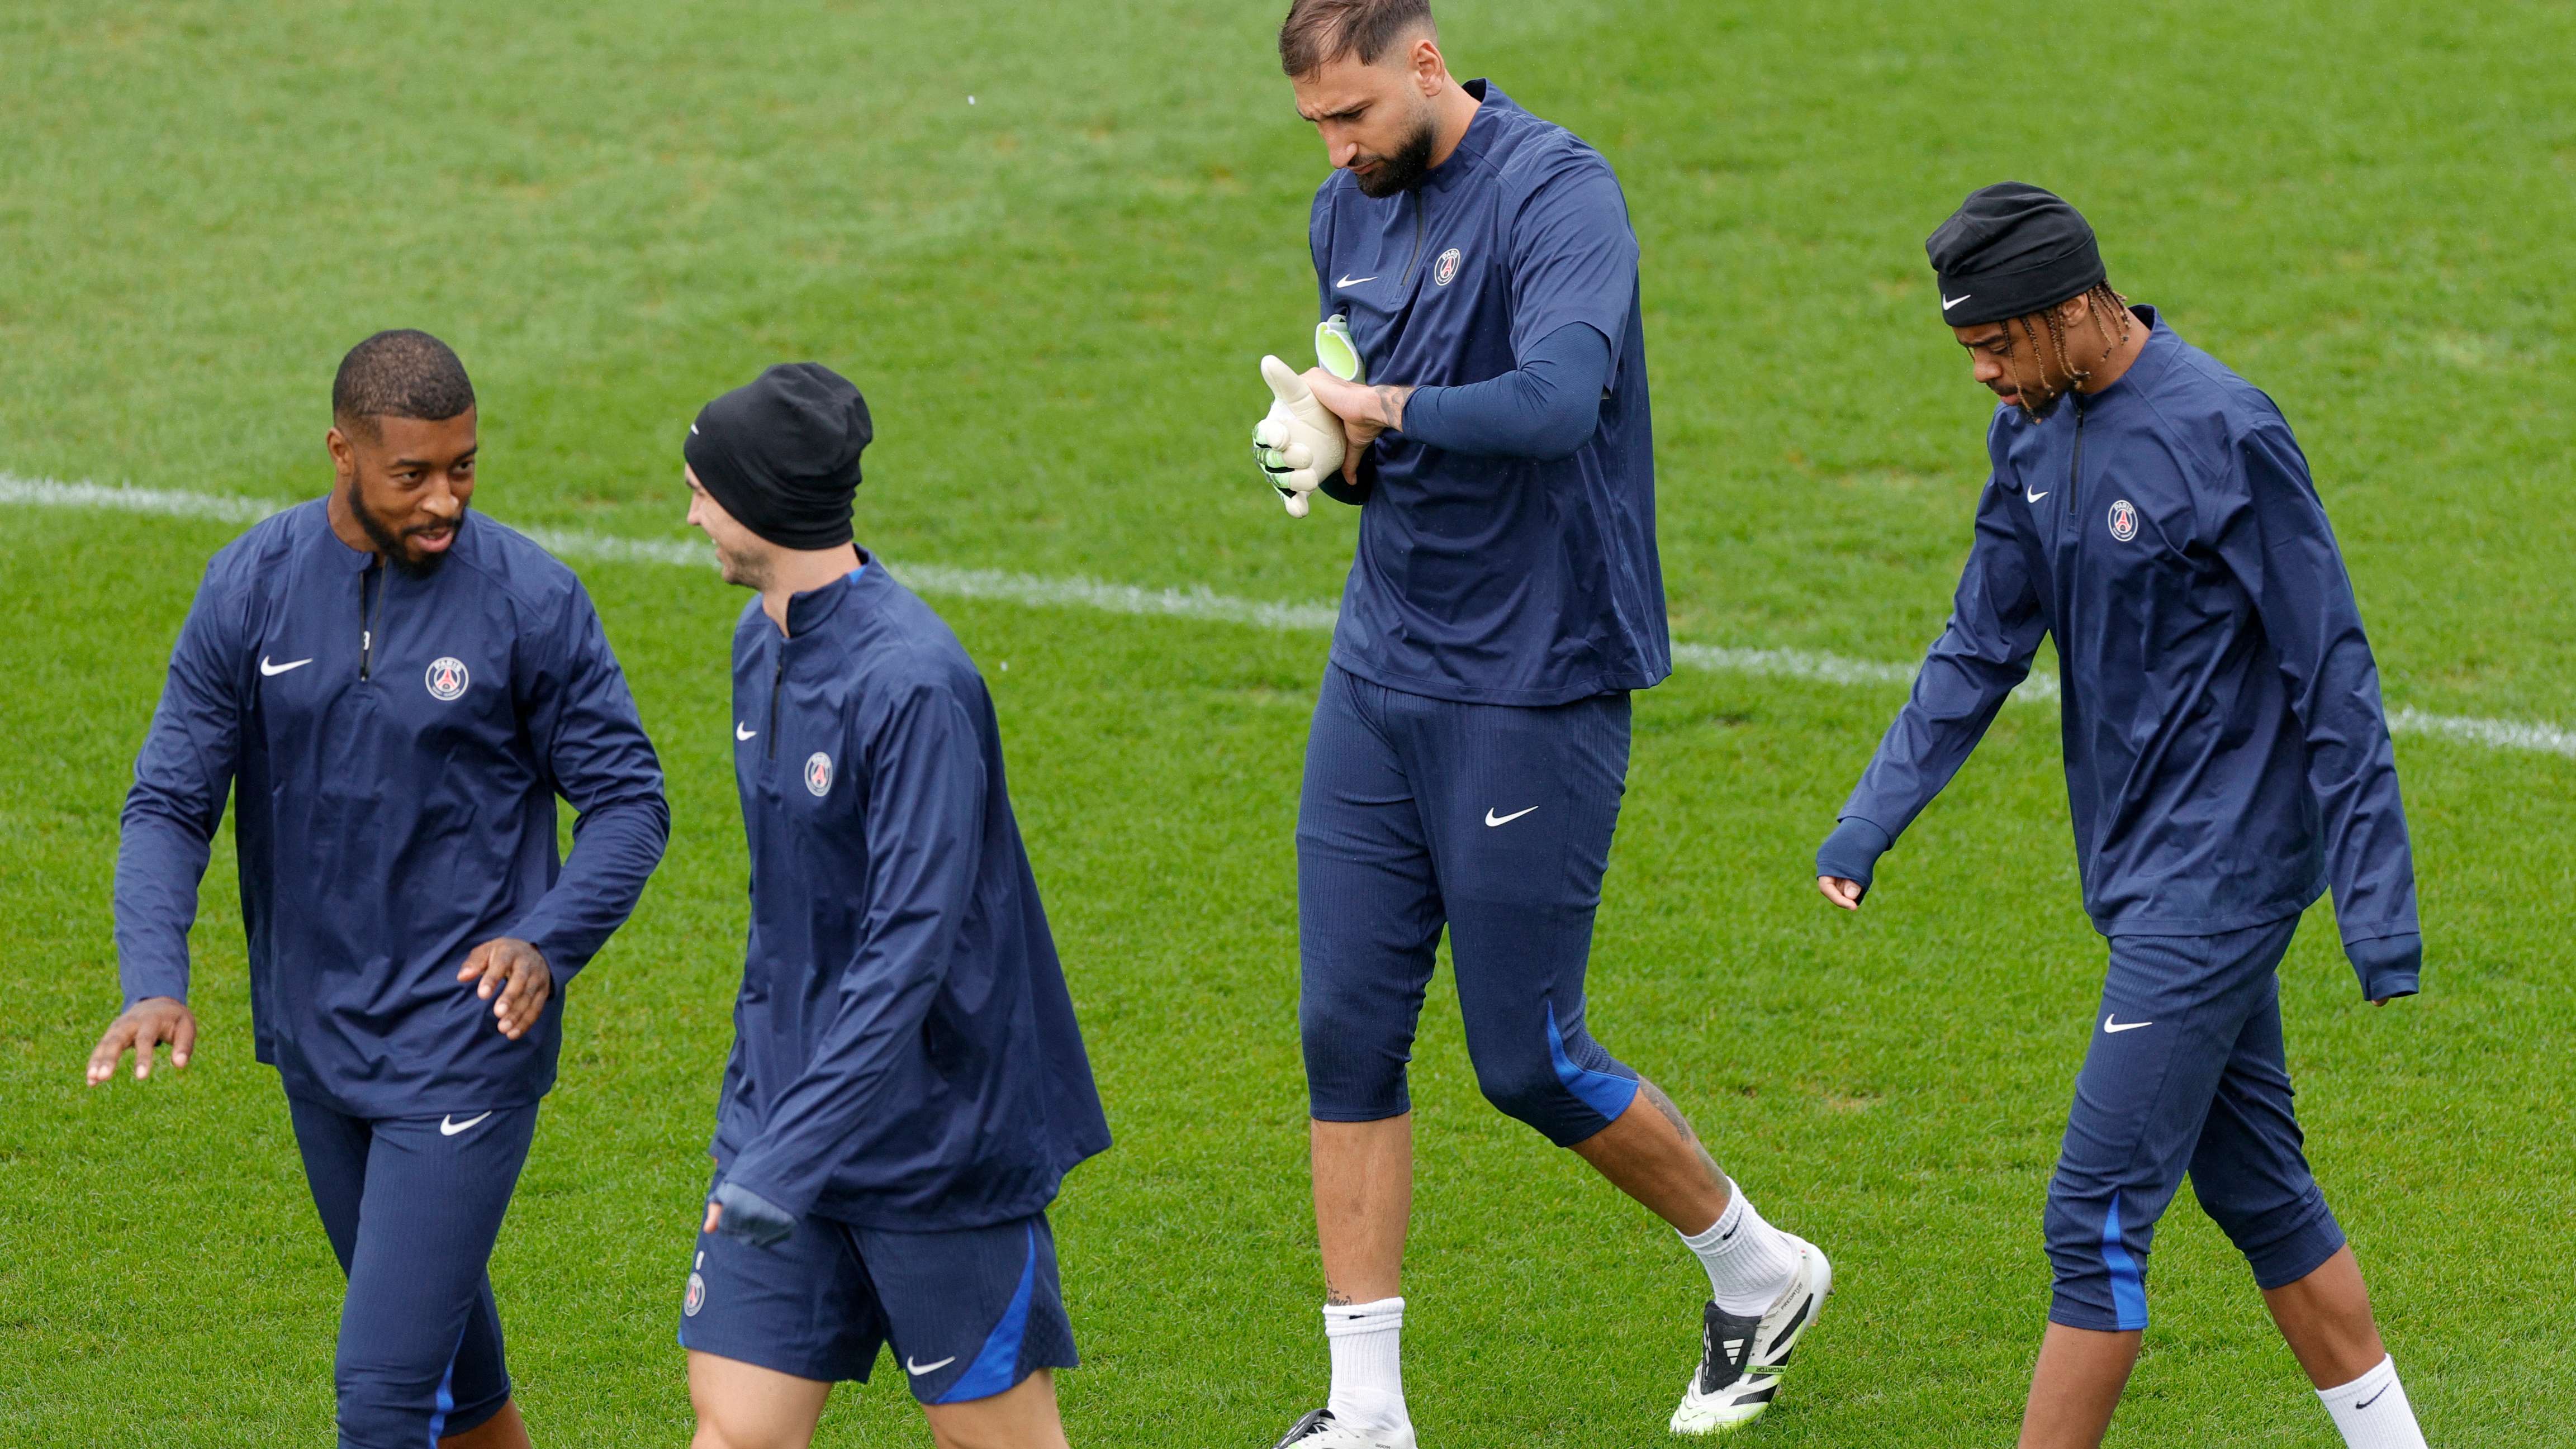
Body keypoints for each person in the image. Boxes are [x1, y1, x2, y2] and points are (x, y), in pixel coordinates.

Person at [1250, 4, 1831, 1443]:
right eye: (1315, 123)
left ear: (1426, 61)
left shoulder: (1557, 189)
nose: (1336, 146)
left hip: (1538, 669)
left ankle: (1759, 1269)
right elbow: (1389, 441)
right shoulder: (1346, 209)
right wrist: (1331, 456)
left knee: (1525, 1058)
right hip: (1383, 663)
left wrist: (1372, 402)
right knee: (1344, 1029)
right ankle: (1365, 1409)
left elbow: (1560, 399)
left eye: (1354, 112)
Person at [1814, 183, 2431, 1449]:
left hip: (2224, 878)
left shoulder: (2223, 430)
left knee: (2090, 1213)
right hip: (2139, 872)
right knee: (2258, 1186)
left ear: (2070, 307)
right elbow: (1979, 642)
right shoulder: (2032, 438)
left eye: (1993, 343)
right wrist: (1868, 819)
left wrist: (2378, 917)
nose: (1980, 371)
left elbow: (2334, 676)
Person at [87, 329, 670, 1448]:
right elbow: (168, 802)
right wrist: (155, 978)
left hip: (464, 1042)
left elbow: (631, 801)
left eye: (464, 467)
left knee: (386, 1393)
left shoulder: (530, 602)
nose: (444, 499)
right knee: (461, 1379)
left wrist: (547, 939)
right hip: (318, 1042)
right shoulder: (251, 587)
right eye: (413, 474)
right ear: (342, 453)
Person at [673, 364, 1111, 1449]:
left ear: (765, 505)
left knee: (994, 1438)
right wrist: (761, 1109)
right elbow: (785, 915)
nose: (688, 515)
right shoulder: (756, 646)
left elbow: (907, 945)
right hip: (783, 1120)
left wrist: (790, 1146)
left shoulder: (912, 684)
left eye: (703, 491)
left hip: (936, 1137)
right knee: (736, 1427)